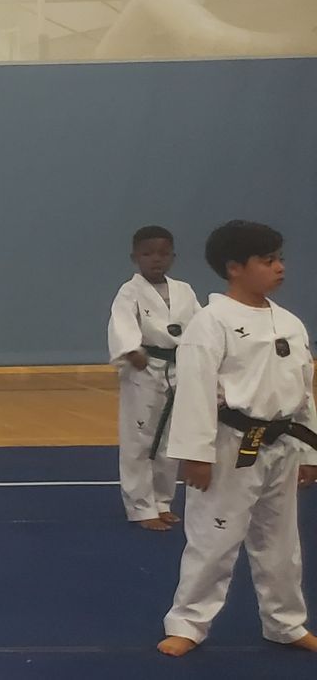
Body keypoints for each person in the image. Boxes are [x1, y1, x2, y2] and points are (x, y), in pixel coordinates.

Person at [157, 220, 317, 656]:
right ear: (234, 268)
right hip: (231, 446)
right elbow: (195, 390)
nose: (280, 268)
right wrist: (195, 454)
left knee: (282, 544)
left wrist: (308, 450)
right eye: (267, 260)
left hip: (283, 444)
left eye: (280, 259)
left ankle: (285, 621)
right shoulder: (211, 322)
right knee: (214, 539)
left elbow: (303, 390)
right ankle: (188, 622)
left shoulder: (290, 323)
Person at [106, 225, 201, 530]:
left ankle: (162, 501)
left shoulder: (184, 291)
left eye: (163, 253)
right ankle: (140, 507)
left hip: (179, 367)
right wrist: (131, 350)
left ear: (173, 256)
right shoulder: (129, 291)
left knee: (170, 439)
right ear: (135, 257)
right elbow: (122, 324)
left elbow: (201, 326)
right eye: (148, 254)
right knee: (139, 439)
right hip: (144, 368)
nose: (156, 259)